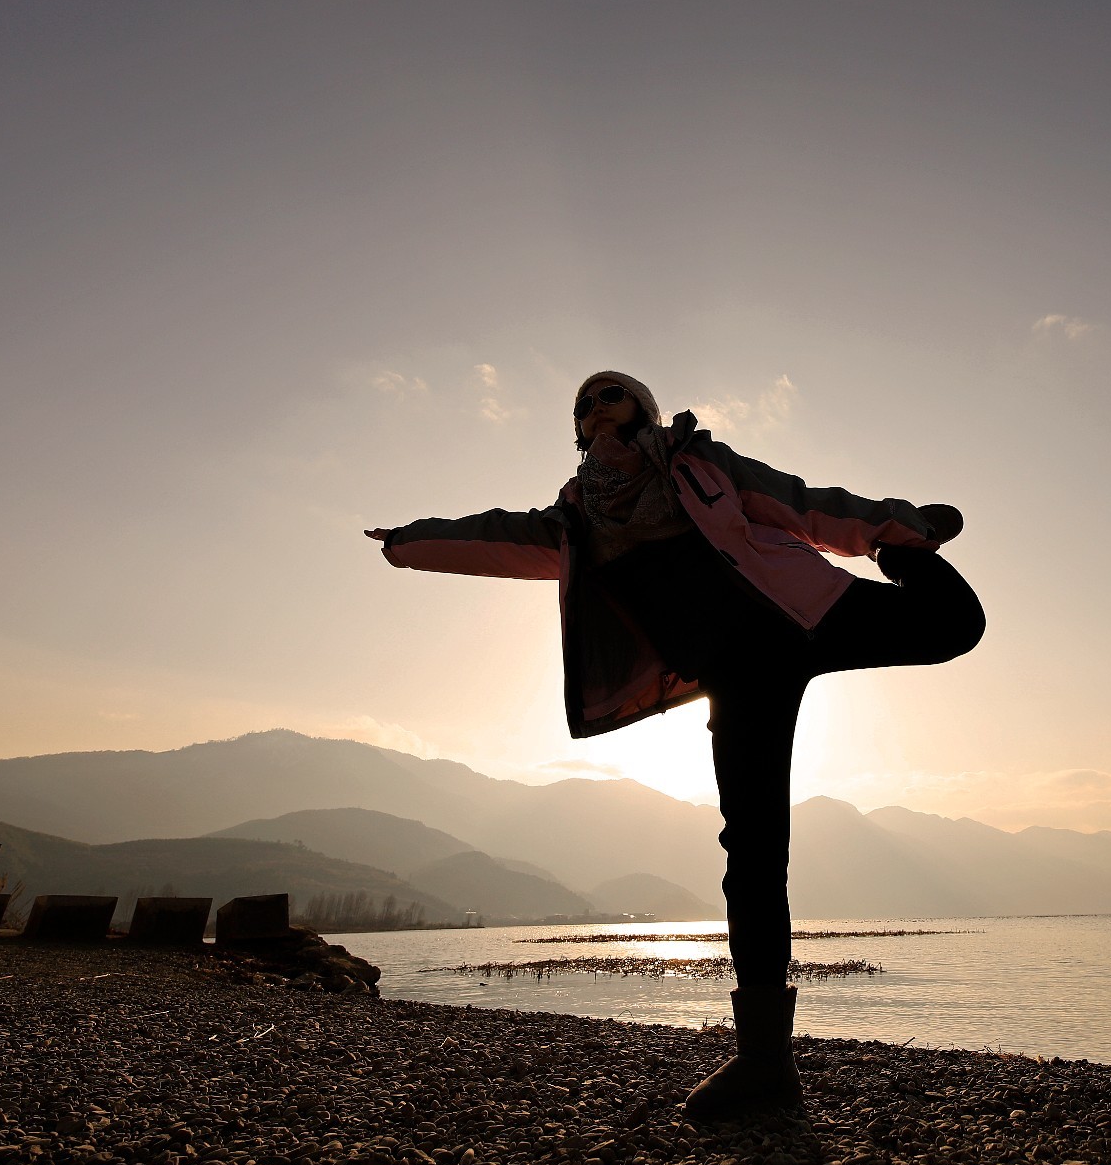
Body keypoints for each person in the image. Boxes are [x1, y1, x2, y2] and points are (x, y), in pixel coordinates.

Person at [366, 370, 985, 1122]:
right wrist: (406, 543)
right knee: (753, 850)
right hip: (739, 677)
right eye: (583, 403)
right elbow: (491, 535)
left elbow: (800, 503)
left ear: (642, 409)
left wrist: (897, 528)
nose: (596, 407)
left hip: (809, 610)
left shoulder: (702, 464)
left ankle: (911, 549)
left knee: (956, 622)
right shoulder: (573, 521)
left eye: (610, 394)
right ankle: (765, 1066)